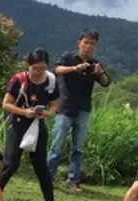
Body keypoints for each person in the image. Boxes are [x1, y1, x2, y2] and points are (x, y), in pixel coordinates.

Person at [47, 29, 110, 191]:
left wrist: (99, 73)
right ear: (79, 43)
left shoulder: (95, 63)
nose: (88, 46)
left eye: (92, 44)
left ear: (96, 46)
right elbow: (56, 70)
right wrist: (75, 68)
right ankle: (48, 177)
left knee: (78, 148)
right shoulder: (68, 57)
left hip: (84, 109)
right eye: (85, 43)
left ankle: (73, 180)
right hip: (65, 107)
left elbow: (106, 82)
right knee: (57, 145)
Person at [0, 48, 60, 201]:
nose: (38, 72)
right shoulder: (19, 80)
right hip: (18, 123)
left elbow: (55, 104)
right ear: (28, 66)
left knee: (41, 165)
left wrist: (47, 113)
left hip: (37, 124)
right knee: (11, 164)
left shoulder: (51, 81)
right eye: (35, 68)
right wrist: (24, 112)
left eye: (42, 69)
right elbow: (6, 104)